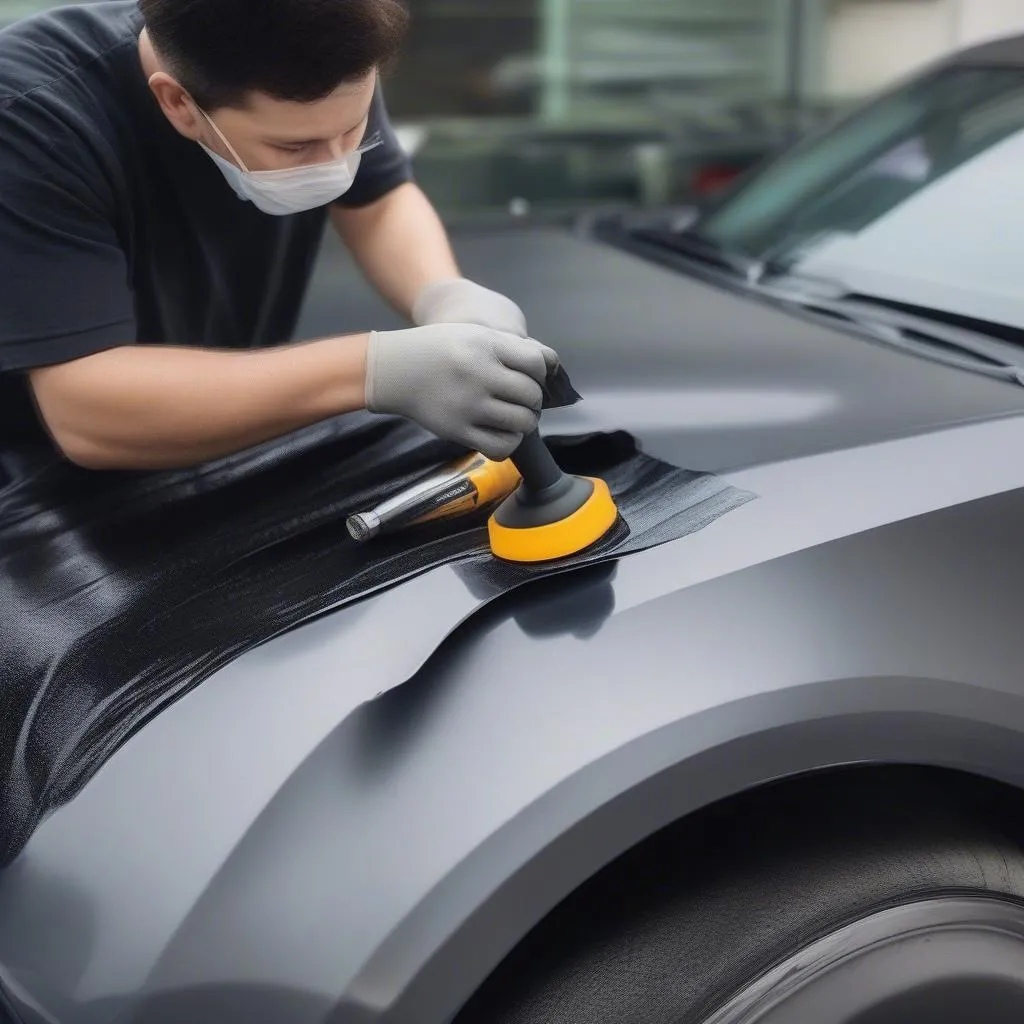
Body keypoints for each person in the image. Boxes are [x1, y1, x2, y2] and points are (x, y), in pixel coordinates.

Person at [0, 0, 557, 471]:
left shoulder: (322, 52)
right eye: (296, 149)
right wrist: (378, 369)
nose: (336, 163)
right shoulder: (29, 121)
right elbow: (87, 413)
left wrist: (443, 294)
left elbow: (379, 200)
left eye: (353, 131)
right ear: (177, 103)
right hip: (33, 503)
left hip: (219, 450)